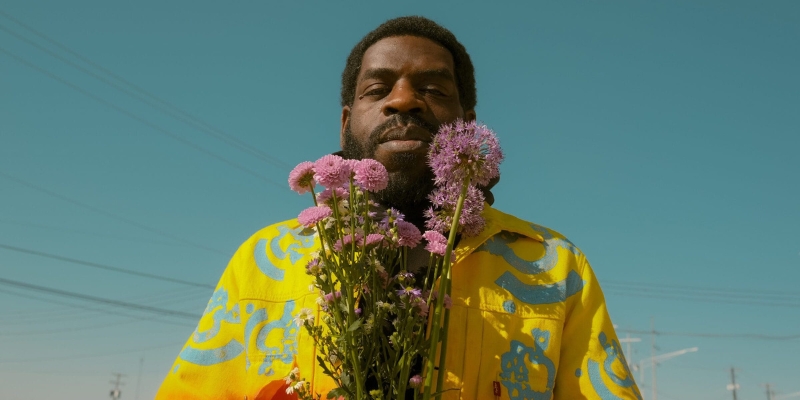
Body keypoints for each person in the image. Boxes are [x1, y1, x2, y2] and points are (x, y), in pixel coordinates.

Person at [157, 16, 642, 400]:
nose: (405, 100)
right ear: (346, 122)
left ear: (467, 123)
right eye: (378, 88)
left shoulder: (554, 266)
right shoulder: (262, 259)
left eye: (433, 89)